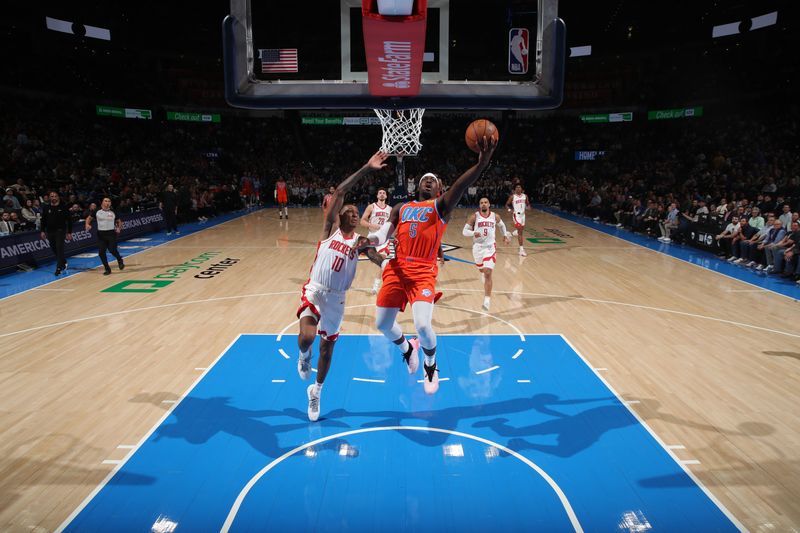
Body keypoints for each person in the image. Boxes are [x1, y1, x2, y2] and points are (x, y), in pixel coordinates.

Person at [369, 135, 498, 395]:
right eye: (425, 178)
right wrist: (366, 240)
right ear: (417, 184)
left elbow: (462, 185)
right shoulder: (401, 207)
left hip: (423, 271)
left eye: (434, 180)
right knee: (382, 324)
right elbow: (381, 235)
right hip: (397, 267)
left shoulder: (440, 206)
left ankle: (431, 364)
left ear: (439, 190)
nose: (428, 180)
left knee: (424, 325)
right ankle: (407, 348)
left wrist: (481, 164)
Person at [297, 151, 389, 422]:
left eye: (355, 212)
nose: (352, 212)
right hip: (315, 288)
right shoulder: (330, 230)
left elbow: (373, 254)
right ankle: (303, 355)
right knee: (307, 338)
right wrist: (366, 167)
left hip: (337, 299)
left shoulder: (359, 242)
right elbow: (339, 191)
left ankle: (316, 391)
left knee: (327, 349)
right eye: (347, 210)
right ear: (339, 215)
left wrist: (386, 266)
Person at [462, 197, 511, 311]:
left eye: (485, 202)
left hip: (490, 247)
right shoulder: (474, 216)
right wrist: (474, 232)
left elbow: (502, 225)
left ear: (489, 204)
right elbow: (464, 232)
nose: (483, 204)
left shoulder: (495, 216)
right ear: (479, 206)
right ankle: (483, 272)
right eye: (481, 203)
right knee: (482, 270)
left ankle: (487, 300)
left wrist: (504, 235)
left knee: (488, 273)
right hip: (477, 248)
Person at [360, 188, 393, 294]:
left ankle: (376, 285)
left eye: (384, 193)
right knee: (373, 258)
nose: (382, 194)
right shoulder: (371, 207)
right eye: (380, 193)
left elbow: (394, 224)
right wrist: (371, 225)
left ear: (386, 196)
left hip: (383, 238)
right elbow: (362, 221)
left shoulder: (390, 209)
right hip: (372, 235)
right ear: (377, 196)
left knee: (382, 259)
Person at [85, 197, 125, 275]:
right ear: (102, 203)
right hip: (101, 234)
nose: (107, 202)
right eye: (105, 201)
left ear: (110, 203)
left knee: (112, 250)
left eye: (109, 201)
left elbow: (119, 221)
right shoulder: (97, 211)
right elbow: (89, 218)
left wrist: (119, 228)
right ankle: (107, 269)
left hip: (111, 234)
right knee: (101, 253)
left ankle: (120, 260)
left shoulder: (113, 211)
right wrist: (87, 224)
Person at [40, 191, 72, 275]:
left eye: (55, 196)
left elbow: (69, 220)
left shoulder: (64, 207)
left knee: (59, 248)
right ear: (49, 198)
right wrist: (42, 230)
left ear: (58, 197)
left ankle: (59, 268)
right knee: (54, 248)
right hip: (50, 231)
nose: (53, 197)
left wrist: (69, 232)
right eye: (51, 196)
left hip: (60, 231)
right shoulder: (46, 208)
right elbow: (43, 220)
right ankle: (63, 261)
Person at [505, 184, 531, 256]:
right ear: (515, 189)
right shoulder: (512, 196)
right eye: (517, 187)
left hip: (523, 216)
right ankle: (521, 250)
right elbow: (506, 204)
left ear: (522, 189)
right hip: (516, 215)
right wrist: (509, 210)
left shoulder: (525, 196)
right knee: (520, 232)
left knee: (520, 230)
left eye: (519, 187)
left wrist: (529, 207)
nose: (518, 188)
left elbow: (528, 204)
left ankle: (510, 234)